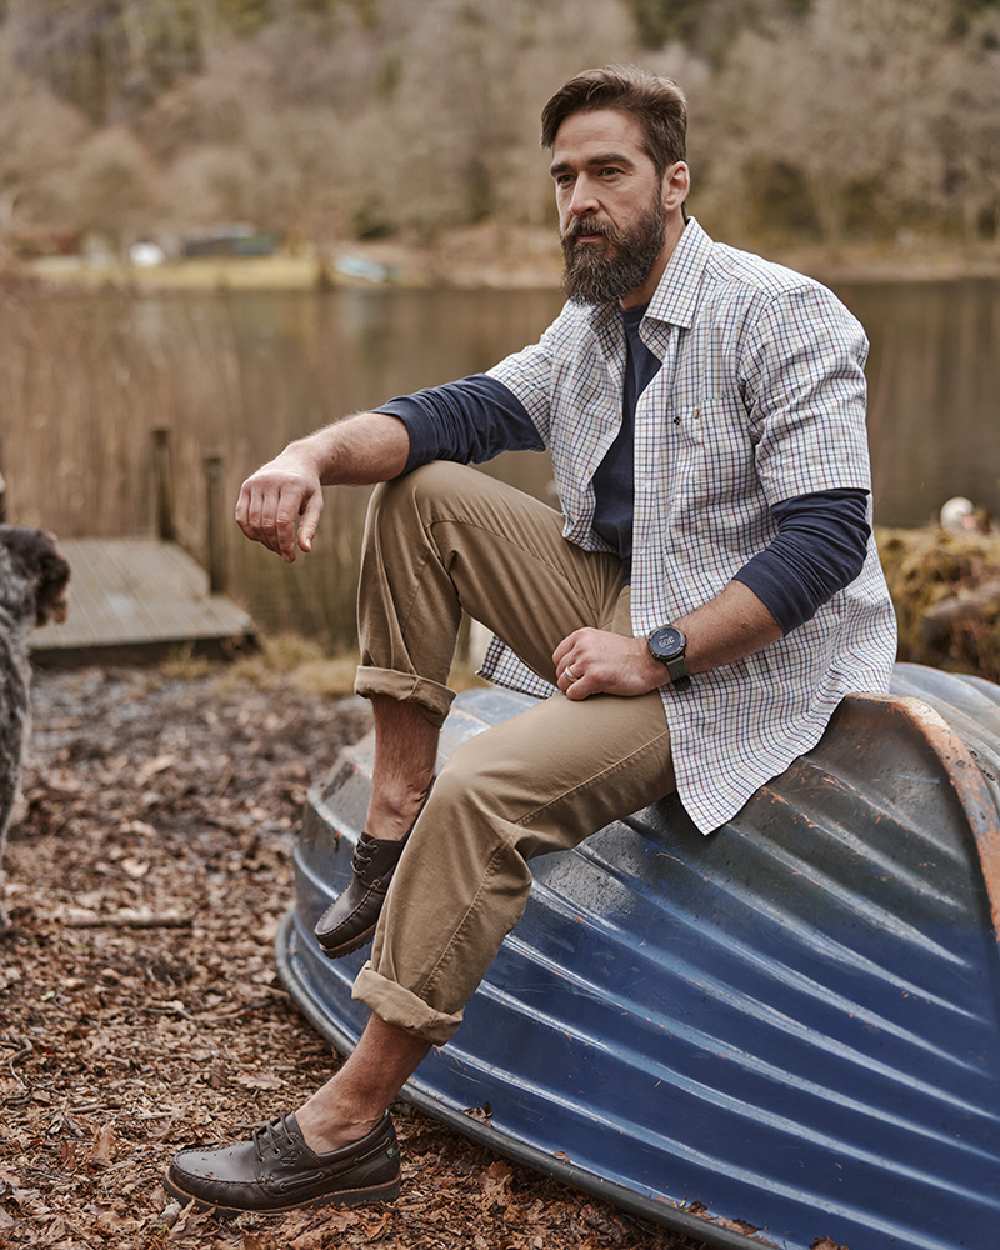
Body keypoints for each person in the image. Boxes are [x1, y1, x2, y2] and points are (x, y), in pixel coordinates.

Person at [164, 65, 896, 1214]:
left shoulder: (784, 312)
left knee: (488, 787)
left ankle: (347, 1125)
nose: (579, 200)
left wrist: (653, 652)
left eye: (607, 170)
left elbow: (826, 542)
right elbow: (450, 415)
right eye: (563, 177)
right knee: (421, 491)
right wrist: (305, 455)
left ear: (674, 180)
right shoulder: (593, 322)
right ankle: (388, 829)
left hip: (748, 662)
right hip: (631, 596)